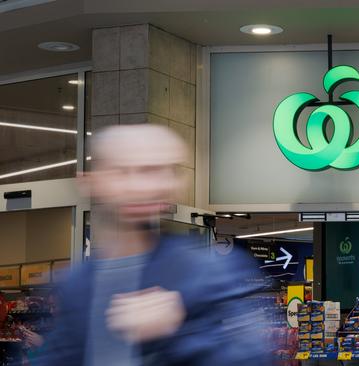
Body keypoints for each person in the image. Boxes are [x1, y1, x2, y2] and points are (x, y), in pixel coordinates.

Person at [37, 125, 271, 366]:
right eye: (121, 171)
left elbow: (252, 357)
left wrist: (175, 335)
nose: (138, 186)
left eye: (152, 171)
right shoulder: (78, 285)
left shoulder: (212, 272)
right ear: (91, 181)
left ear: (173, 184)